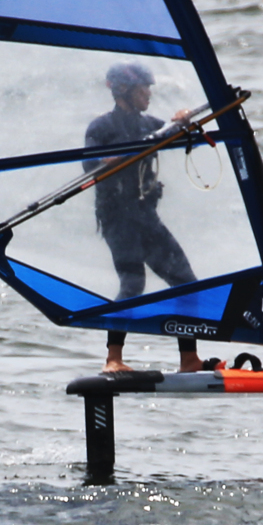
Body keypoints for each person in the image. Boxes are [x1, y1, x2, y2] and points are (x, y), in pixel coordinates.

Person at [84, 63, 206, 373]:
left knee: (186, 283)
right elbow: (92, 166)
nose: (148, 95)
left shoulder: (149, 126)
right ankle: (113, 359)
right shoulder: (101, 128)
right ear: (123, 91)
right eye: (143, 89)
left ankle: (189, 359)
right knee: (133, 283)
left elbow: (179, 134)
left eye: (149, 89)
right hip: (117, 219)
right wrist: (129, 152)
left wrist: (184, 122)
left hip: (145, 217)